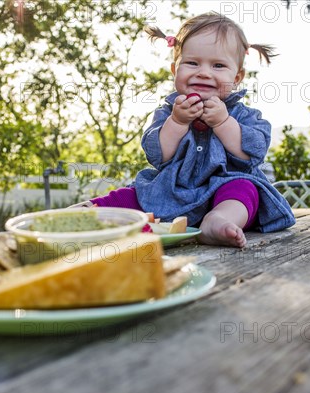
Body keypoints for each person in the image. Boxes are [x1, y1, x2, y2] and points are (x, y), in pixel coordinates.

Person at [81, 12, 295, 247]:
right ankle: (90, 211)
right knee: (136, 193)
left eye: (218, 65)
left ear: (237, 77)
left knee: (244, 189)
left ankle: (215, 222)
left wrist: (223, 123)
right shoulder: (169, 112)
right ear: (175, 70)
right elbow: (158, 155)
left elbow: (252, 153)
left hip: (223, 190)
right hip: (171, 189)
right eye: (192, 63)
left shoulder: (244, 115)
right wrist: (178, 122)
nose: (204, 72)